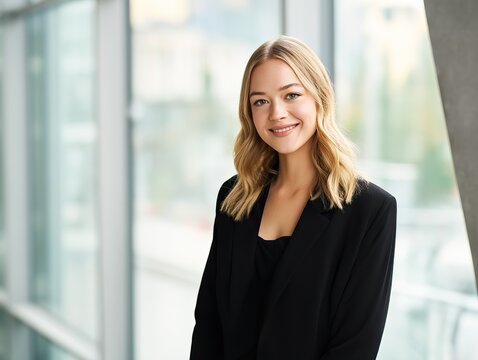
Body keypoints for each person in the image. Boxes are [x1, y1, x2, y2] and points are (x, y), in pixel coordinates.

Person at [190, 35, 397, 360]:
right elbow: (208, 326)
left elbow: (354, 347)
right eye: (260, 101)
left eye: (291, 95)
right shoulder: (234, 197)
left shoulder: (370, 211)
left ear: (319, 98)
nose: (277, 113)